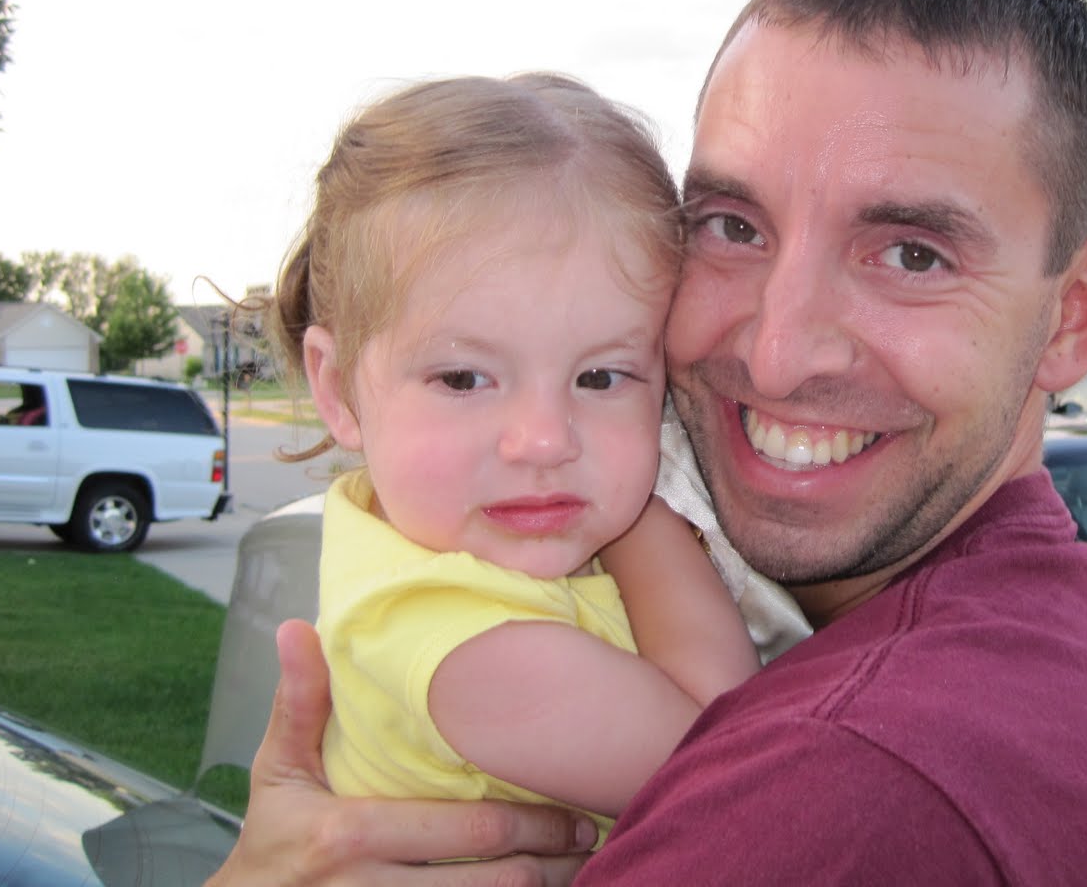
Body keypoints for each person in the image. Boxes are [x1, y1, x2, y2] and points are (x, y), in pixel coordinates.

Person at [210, 0, 1087, 884]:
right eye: (733, 226)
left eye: (912, 254)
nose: (778, 357)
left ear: (1077, 314)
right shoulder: (1037, 652)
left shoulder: (847, 787)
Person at [257, 74, 761, 842]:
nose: (545, 440)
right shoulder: (457, 647)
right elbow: (733, 762)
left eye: (601, 377)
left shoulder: (431, 540)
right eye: (464, 379)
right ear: (338, 389)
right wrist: (648, 517)